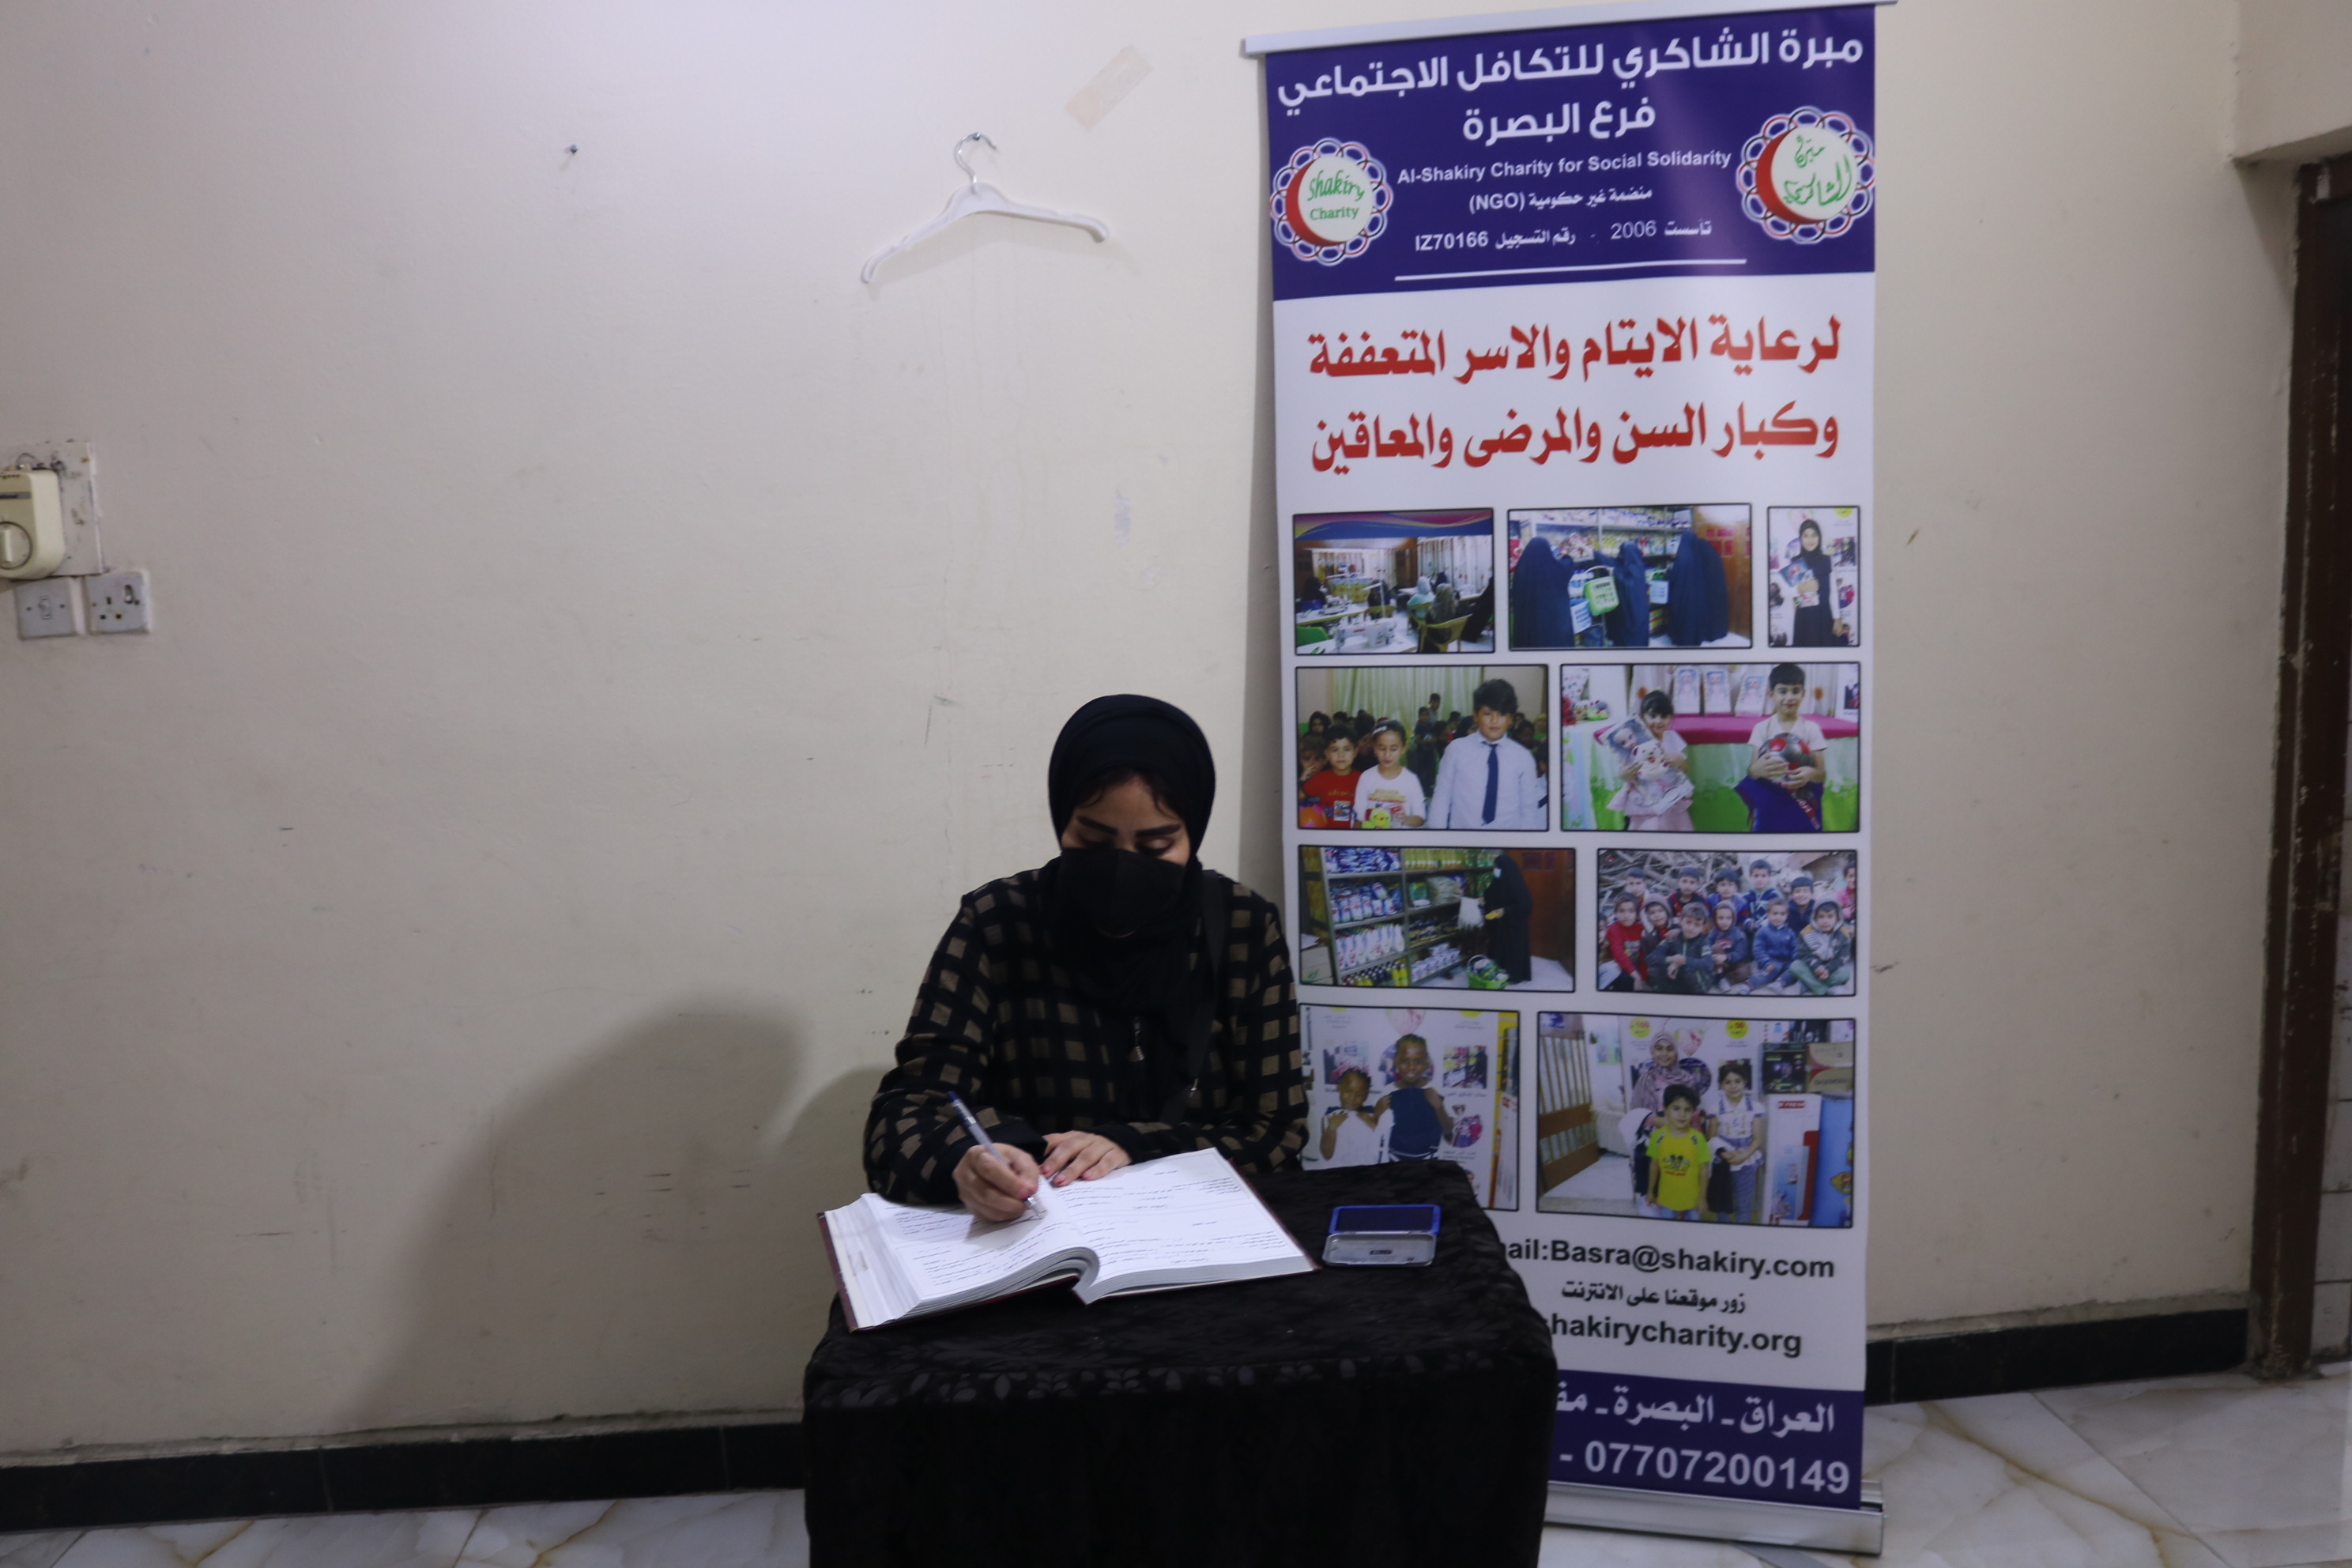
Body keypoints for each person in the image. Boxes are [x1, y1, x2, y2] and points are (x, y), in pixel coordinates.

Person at [864, 695, 1306, 1221]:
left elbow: (1277, 1130)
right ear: (1062, 821)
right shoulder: (997, 923)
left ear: (1194, 833)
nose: (1121, 870)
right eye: (1093, 841)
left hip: (1196, 1237)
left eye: (1156, 847)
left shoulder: (1242, 927)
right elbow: (904, 1118)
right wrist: (967, 1160)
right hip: (1035, 1236)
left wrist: (1136, 1145)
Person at [1429, 678, 1544, 829]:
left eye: (1502, 714)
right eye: (1487, 714)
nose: (1494, 721)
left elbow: (1528, 809)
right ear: (1476, 716)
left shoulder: (1523, 757)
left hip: (1508, 837)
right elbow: (1442, 797)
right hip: (1463, 835)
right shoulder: (1456, 750)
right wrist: (1437, 837)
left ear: (1511, 719)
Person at [1740, 665, 1828, 831]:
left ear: (1803, 694)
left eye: (1795, 691)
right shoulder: (1762, 728)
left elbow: (1821, 774)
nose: (1789, 697)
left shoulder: (1811, 729)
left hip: (1802, 799)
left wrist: (1810, 774)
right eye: (1783, 691)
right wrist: (1757, 769)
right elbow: (1753, 772)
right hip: (1771, 801)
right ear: (1771, 694)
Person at [1617, 690, 1693, 832]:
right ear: (1643, 717)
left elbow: (1686, 767)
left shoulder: (1672, 737)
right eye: (1652, 716)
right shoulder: (1634, 740)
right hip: (1645, 797)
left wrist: (1680, 761)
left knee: (1674, 827)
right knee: (1650, 829)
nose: (1658, 721)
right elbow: (1622, 771)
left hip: (1670, 795)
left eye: (1663, 716)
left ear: (1670, 718)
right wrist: (1625, 774)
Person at [1374, 1034, 1454, 1161]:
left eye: (1418, 1061)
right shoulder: (1387, 1092)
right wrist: (1377, 1114)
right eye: (1406, 1061)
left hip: (1428, 1163)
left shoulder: (1436, 1091)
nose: (1411, 1067)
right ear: (1397, 1061)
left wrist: (1439, 1108)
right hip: (1395, 1161)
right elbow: (1376, 1133)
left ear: (1426, 1063)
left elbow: (1448, 1133)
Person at [1703, 1063, 1766, 1223]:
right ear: (1721, 1085)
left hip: (1747, 1160)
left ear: (1745, 1082)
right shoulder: (1715, 1109)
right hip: (1724, 1162)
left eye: (1737, 1081)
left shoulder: (1755, 1107)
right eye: (1728, 1082)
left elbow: (1757, 1139)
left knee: (1743, 1203)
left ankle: (1741, 1232)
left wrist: (1744, 1156)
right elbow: (1712, 1138)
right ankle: (1723, 1232)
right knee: (1723, 1201)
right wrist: (1725, 1155)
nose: (1733, 1086)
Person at [1646, 1085, 1710, 1220]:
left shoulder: (1698, 1139)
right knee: (1668, 1231)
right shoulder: (1657, 1137)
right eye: (1676, 1108)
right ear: (1665, 1109)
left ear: (1694, 1112)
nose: (1682, 1114)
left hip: (1692, 1200)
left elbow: (1704, 1170)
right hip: (1666, 1199)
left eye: (1688, 1109)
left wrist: (1702, 1198)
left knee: (1693, 1231)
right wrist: (1650, 1191)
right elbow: (1653, 1166)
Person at [1352, 721, 1428, 829]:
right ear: (1374, 748)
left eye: (1394, 749)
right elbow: (1358, 818)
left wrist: (1405, 819)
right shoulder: (1366, 777)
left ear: (1403, 749)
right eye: (1382, 748)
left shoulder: (1411, 780)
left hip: (1399, 839)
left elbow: (1420, 818)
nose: (1387, 755)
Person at [1786, 518, 1844, 647]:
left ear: (1819, 537)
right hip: (1804, 617)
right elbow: (1787, 591)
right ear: (1800, 538)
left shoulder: (1827, 561)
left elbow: (1833, 592)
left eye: (1814, 535)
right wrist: (1803, 588)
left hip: (1824, 616)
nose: (1810, 540)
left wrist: (1837, 618)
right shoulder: (1795, 562)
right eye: (1805, 536)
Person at [1479, 850, 1534, 985]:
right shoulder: (1497, 881)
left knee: (1513, 950)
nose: (1495, 870)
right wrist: (1483, 899)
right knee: (1499, 949)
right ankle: (1500, 973)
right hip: (1499, 924)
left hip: (1514, 925)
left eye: (1498, 867)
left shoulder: (1516, 883)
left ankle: (1515, 976)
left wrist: (1505, 910)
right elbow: (1490, 895)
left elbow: (1525, 904)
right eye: (1495, 867)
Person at [1317, 1068, 1385, 1166]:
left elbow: (1384, 1146)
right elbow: (1326, 1155)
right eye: (1348, 1091)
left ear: (1366, 1096)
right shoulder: (1330, 1115)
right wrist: (1332, 1129)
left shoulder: (1372, 1114)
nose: (1352, 1098)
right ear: (1339, 1087)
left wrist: (1374, 1125)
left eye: (1359, 1095)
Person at [1651, 903, 1719, 995]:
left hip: (1698, 981)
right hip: (1679, 977)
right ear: (1680, 920)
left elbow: (1708, 964)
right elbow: (1652, 958)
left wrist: (1683, 961)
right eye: (1688, 922)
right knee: (1654, 970)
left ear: (1702, 928)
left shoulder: (1703, 942)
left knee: (1688, 970)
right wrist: (1671, 960)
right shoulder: (1673, 937)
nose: (1691, 928)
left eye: (1697, 925)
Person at [1300, 729, 1361, 828]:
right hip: (1326, 835)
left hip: (1354, 835)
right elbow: (1299, 796)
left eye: (1346, 749)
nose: (1341, 755)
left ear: (1355, 752)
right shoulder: (1320, 779)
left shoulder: (1363, 779)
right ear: (1327, 754)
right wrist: (1301, 780)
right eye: (1335, 750)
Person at [1795, 899, 1854, 994]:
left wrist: (1828, 969)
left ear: (1838, 918)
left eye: (1830, 917)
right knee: (1795, 966)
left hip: (1832, 969)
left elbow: (1842, 957)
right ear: (1815, 918)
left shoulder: (1843, 934)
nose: (1825, 921)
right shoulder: (1806, 933)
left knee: (1845, 973)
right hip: (1812, 967)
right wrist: (1817, 967)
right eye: (1821, 917)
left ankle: (1810, 984)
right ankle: (1824, 990)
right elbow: (1804, 954)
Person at [1747, 895, 1801, 993]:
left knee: (1795, 971)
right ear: (1768, 914)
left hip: (1786, 962)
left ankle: (1780, 983)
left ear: (1787, 916)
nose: (1778, 917)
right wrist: (1766, 962)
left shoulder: (1790, 932)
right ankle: (1750, 984)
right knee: (1768, 973)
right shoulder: (1763, 931)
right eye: (1775, 914)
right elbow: (1758, 949)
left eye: (1782, 914)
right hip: (1770, 962)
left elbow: (1794, 948)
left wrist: (1796, 959)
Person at [1601, 894, 1646, 991]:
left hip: (1637, 967)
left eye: (1631, 911)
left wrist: (1643, 979)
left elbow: (1643, 955)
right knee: (1625, 979)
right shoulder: (1613, 929)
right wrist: (1637, 977)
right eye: (1622, 911)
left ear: (1637, 914)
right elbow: (1619, 954)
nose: (1626, 916)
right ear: (1615, 913)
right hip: (1620, 967)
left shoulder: (1641, 928)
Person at [1706, 899, 1753, 992]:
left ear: (1734, 919)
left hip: (1732, 962)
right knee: (1715, 947)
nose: (1725, 922)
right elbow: (1707, 945)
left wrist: (1727, 957)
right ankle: (1719, 974)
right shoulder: (1714, 932)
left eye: (1728, 918)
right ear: (1715, 919)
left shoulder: (1738, 934)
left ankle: (1721, 979)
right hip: (1717, 962)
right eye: (1721, 918)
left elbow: (1740, 953)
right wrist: (1712, 956)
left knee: (1745, 972)